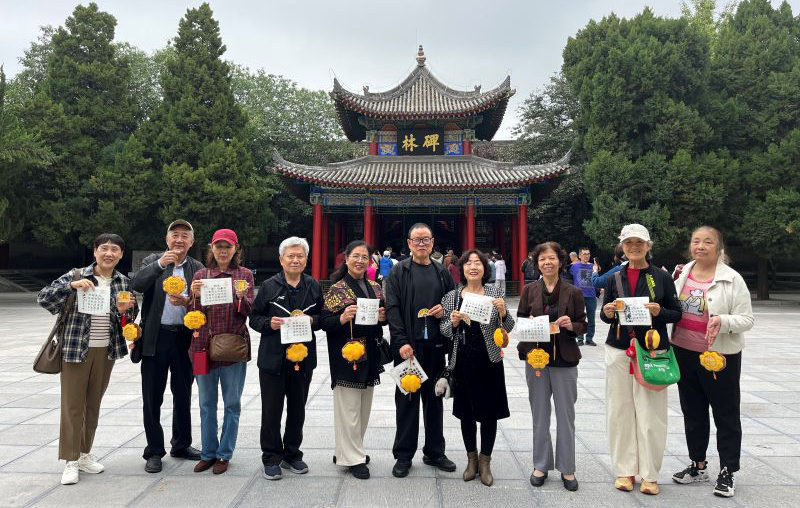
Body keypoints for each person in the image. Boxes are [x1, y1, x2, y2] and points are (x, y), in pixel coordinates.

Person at [38, 234, 139, 485]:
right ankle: (70, 460)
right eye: (104, 248)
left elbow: (128, 319)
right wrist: (71, 287)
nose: (109, 253)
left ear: (121, 255)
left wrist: (126, 311)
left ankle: (84, 454)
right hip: (75, 349)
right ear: (95, 252)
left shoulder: (123, 282)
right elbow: (44, 298)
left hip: (106, 351)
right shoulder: (76, 275)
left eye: (114, 250)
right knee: (73, 405)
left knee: (93, 404)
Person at [670, 226, 753, 498]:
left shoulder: (732, 279)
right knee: (692, 410)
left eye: (708, 242)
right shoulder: (682, 274)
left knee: (725, 413)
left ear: (719, 248)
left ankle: (728, 470)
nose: (701, 246)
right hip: (683, 351)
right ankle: (698, 465)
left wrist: (722, 320)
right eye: (696, 241)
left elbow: (747, 319)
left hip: (719, 357)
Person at [600, 224, 682, 495]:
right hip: (619, 349)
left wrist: (660, 312)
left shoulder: (662, 277)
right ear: (622, 247)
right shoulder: (614, 278)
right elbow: (605, 315)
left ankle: (650, 473)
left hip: (652, 351)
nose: (634, 247)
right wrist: (607, 312)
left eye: (639, 243)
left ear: (648, 246)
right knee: (620, 411)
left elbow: (676, 313)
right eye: (628, 243)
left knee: (651, 413)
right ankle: (625, 470)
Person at [132, 220, 204, 473]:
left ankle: (181, 444)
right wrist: (161, 264)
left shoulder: (197, 267)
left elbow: (205, 303)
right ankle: (154, 450)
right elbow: (137, 285)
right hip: (156, 337)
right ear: (167, 239)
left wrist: (189, 301)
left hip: (185, 339)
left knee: (183, 393)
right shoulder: (153, 261)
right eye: (175, 235)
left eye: (185, 236)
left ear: (191, 242)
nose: (179, 240)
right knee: (152, 395)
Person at [249, 237, 324, 480]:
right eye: (290, 256)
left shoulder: (313, 286)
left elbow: (323, 317)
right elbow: (254, 318)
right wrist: (268, 324)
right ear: (281, 260)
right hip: (273, 358)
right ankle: (271, 457)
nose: (295, 260)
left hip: (303, 358)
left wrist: (313, 320)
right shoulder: (269, 286)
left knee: (297, 409)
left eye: (300, 256)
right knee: (271, 410)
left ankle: (292, 454)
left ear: (306, 260)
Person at [385, 223, 456, 477]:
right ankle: (403, 455)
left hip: (435, 347)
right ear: (409, 243)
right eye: (417, 240)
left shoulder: (442, 271)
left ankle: (434, 452)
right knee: (406, 401)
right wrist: (401, 341)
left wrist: (445, 310)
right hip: (408, 349)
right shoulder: (399, 271)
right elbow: (392, 308)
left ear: (433, 242)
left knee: (434, 401)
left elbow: (453, 302)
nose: (422, 243)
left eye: (426, 239)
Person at [440, 250, 514, 486]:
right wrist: (452, 323)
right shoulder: (452, 297)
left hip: (489, 360)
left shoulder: (495, 294)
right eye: (468, 263)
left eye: (478, 263)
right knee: (466, 413)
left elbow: (508, 326)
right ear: (462, 269)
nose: (473, 267)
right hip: (462, 361)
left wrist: (503, 313)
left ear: (484, 268)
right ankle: (471, 460)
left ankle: (485, 462)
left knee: (489, 413)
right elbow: (443, 330)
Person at [517, 242, 586, 492]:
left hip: (564, 359)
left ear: (560, 261)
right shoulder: (529, 290)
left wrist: (571, 325)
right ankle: (541, 464)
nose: (547, 263)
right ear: (537, 264)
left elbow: (583, 324)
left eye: (552, 258)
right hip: (537, 358)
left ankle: (567, 467)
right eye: (542, 259)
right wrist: (529, 322)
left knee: (566, 415)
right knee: (540, 413)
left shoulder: (573, 291)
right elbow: (521, 319)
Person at [187, 229, 254, 475]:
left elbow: (248, 311)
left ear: (236, 249)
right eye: (219, 247)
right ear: (212, 249)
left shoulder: (244, 275)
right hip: (202, 347)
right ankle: (208, 453)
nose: (223, 251)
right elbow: (192, 315)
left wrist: (241, 297)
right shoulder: (201, 275)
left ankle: (225, 453)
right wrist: (194, 296)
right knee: (206, 403)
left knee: (232, 403)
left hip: (232, 347)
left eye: (228, 247)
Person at [320, 240, 388, 480]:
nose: (360, 261)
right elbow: (324, 322)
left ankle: (349, 450)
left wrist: (383, 317)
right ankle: (353, 458)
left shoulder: (375, 287)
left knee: (363, 407)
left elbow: (381, 318)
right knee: (349, 409)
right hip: (347, 355)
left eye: (364, 257)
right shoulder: (337, 289)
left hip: (370, 354)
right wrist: (341, 318)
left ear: (370, 261)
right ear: (346, 259)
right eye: (355, 256)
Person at [569, 247, 597, 346]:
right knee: (579, 318)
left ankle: (589, 339)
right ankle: (579, 339)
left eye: (588, 254)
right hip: (578, 296)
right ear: (580, 256)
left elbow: (597, 279)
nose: (587, 256)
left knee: (591, 318)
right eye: (584, 254)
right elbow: (567, 278)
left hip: (591, 295)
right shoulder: (573, 267)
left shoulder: (593, 266)